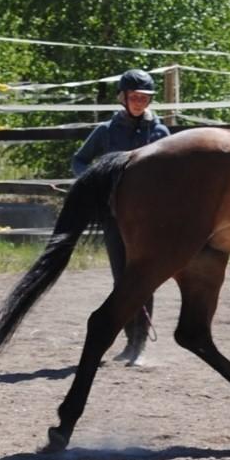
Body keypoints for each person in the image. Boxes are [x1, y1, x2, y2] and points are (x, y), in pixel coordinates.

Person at [72, 69, 170, 365]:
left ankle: (139, 346)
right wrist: (93, 182)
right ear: (123, 98)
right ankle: (130, 341)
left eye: (144, 98)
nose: (140, 102)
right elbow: (79, 160)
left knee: (145, 278)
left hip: (148, 221)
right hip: (115, 217)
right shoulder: (105, 131)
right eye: (135, 97)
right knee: (121, 280)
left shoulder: (160, 133)